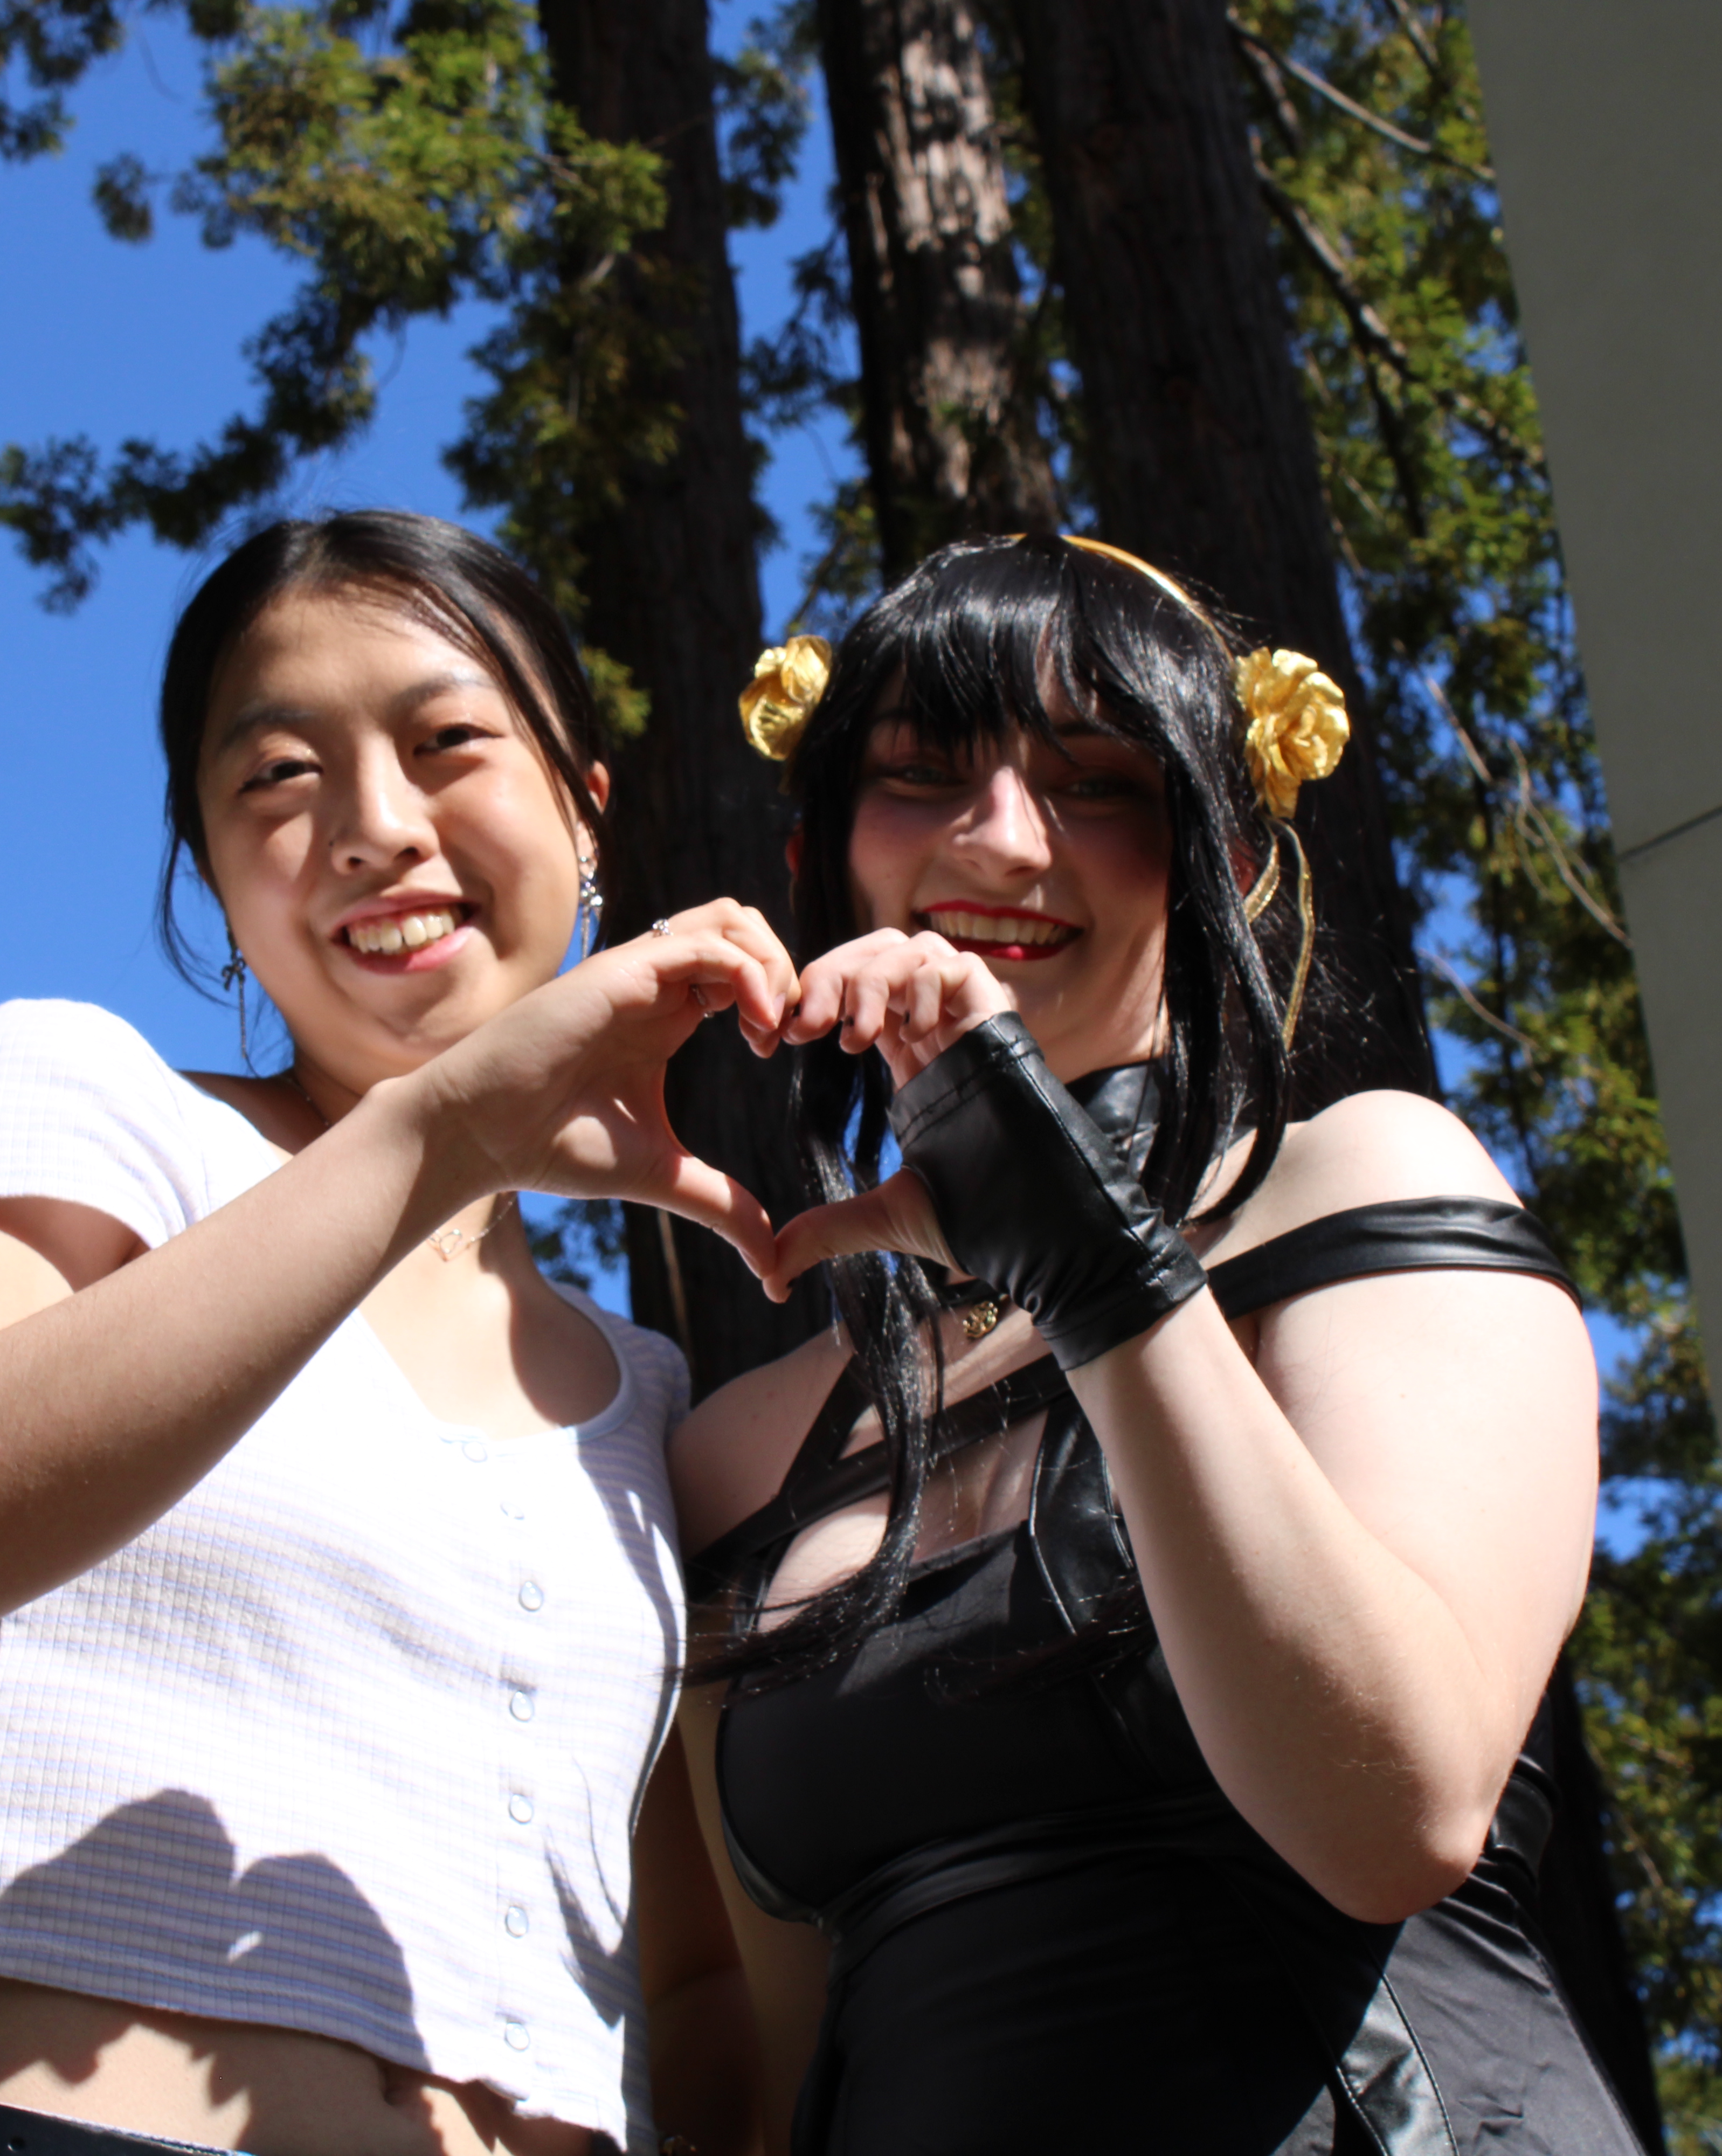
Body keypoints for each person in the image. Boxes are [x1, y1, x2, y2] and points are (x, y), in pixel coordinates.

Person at [0, 511, 785, 2156]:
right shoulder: (88, 1100)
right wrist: (445, 1133)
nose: (375, 827)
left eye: (448, 741)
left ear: (585, 811)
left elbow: (690, 1978)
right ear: (210, 872)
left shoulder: (646, 1393)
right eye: (278, 776)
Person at [667, 533, 1645, 2153]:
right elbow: (770, 2059)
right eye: (918, 774)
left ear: (1229, 860)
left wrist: (1092, 1263)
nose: (1003, 838)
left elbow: (1398, 1811)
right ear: (816, 855)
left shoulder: (1359, 1184)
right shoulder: (735, 1447)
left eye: (1097, 782)